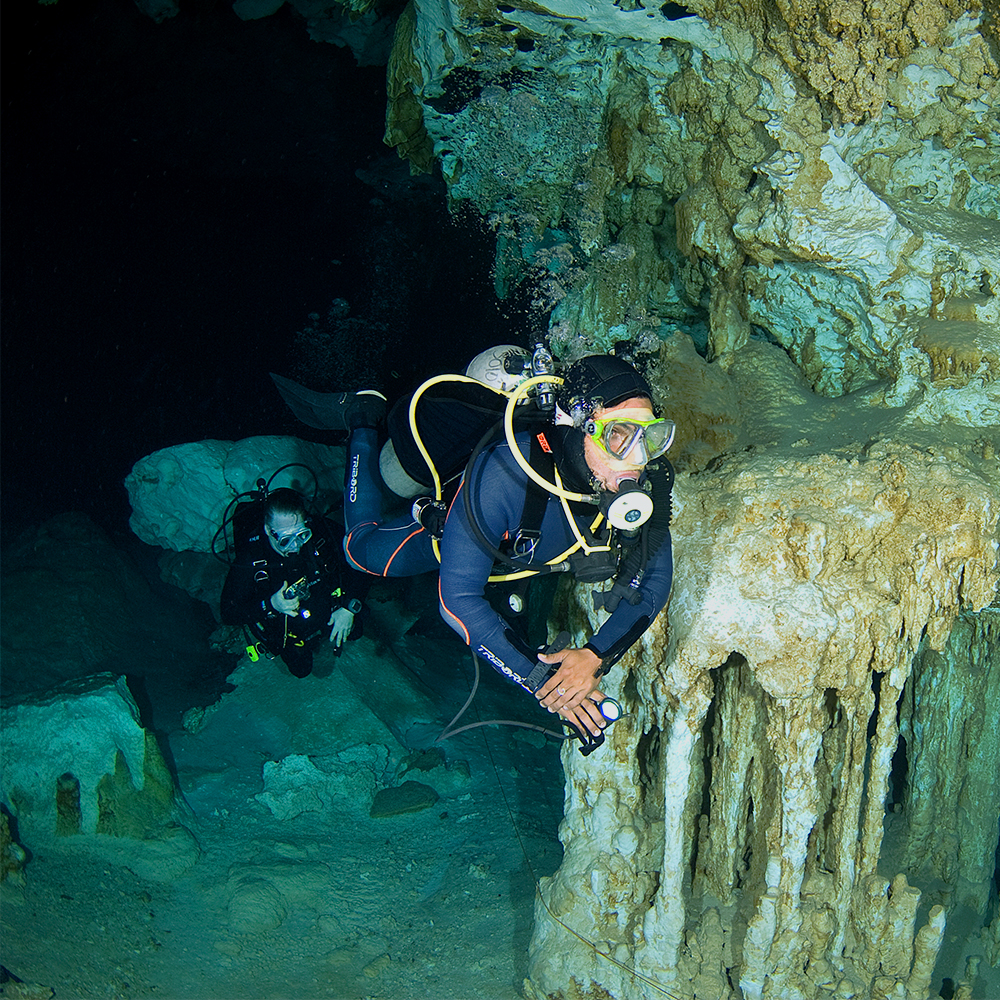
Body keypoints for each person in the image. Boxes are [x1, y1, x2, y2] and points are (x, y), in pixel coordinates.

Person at [271, 350, 675, 744]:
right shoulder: (504, 473)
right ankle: (361, 419)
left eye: (650, 437)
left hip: (529, 558)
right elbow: (458, 601)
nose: (636, 460)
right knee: (358, 553)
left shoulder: (645, 483)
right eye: (618, 436)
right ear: (574, 425)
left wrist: (594, 658)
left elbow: (655, 582)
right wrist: (545, 682)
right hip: (461, 535)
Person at [220, 487, 369, 678]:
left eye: (301, 535)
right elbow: (228, 613)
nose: (295, 546)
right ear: (268, 530)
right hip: (285, 623)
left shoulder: (320, 532)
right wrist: (271, 604)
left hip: (323, 603)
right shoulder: (251, 557)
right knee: (301, 669)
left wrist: (349, 607)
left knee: (356, 630)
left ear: (306, 523)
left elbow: (363, 556)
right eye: (285, 540)